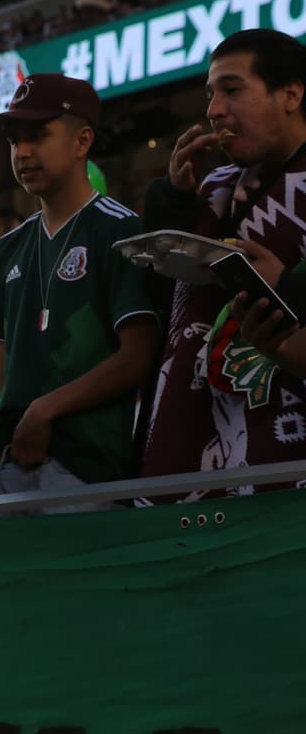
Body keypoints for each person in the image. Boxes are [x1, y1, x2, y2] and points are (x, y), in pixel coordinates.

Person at [0, 74, 157, 508]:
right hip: (5, 467)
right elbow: (1, 365)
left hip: (88, 468)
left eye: (37, 135)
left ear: (82, 141)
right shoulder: (7, 248)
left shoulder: (122, 229)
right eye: (15, 141)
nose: (23, 152)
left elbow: (137, 356)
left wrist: (45, 410)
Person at [140, 29, 306, 494]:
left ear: (291, 94)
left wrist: (285, 288)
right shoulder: (212, 187)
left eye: (232, 90)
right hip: (198, 439)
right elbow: (160, 300)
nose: (214, 110)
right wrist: (172, 197)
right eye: (211, 94)